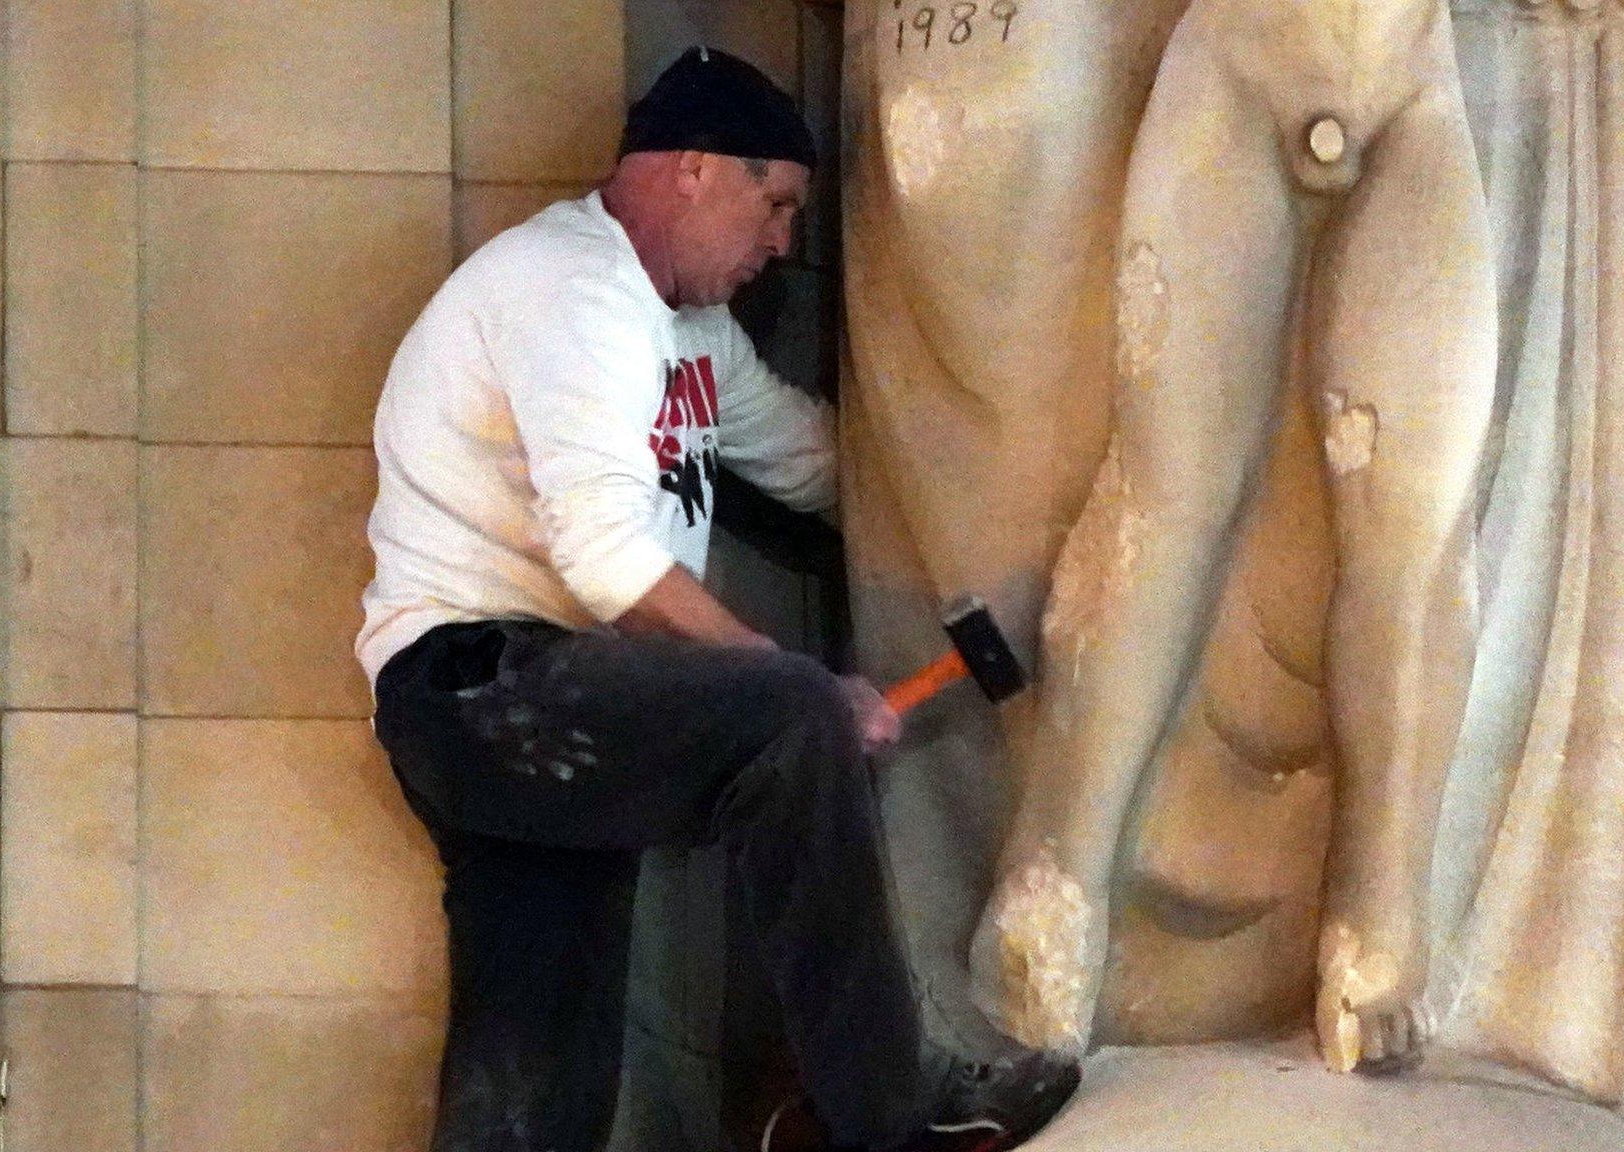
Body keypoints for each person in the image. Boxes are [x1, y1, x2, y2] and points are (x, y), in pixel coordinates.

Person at [355, 46, 1080, 1152]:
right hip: (479, 688)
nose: (784, 240)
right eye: (773, 201)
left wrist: (1017, 535)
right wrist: (802, 692)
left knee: (532, 1098)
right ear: (691, 169)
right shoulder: (571, 287)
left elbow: (826, 465)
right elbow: (605, 561)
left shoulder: (688, 333)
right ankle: (894, 1112)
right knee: (786, 720)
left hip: (554, 720)